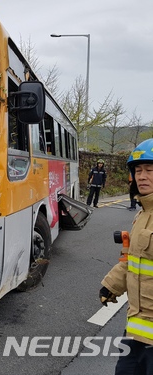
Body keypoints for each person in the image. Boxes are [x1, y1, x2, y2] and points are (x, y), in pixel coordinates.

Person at [100, 139, 153, 374]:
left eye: (150, 170)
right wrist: (111, 286)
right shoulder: (143, 214)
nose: (142, 176)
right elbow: (134, 259)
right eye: (138, 170)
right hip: (137, 329)